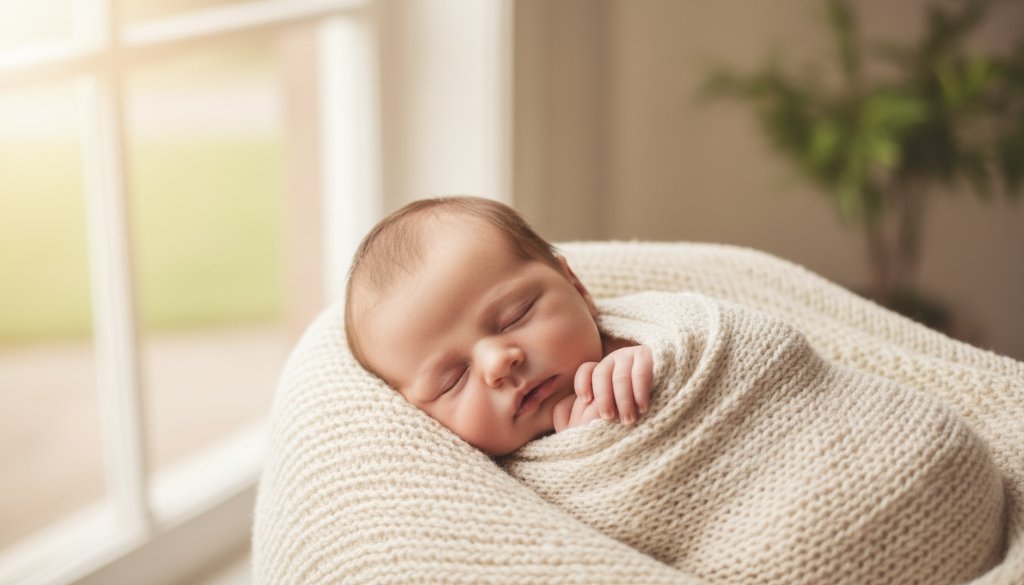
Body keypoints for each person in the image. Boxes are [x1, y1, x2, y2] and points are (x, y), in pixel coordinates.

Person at [344, 196, 652, 456]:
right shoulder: (480, 484)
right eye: (453, 379)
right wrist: (588, 452)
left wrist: (651, 364)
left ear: (577, 287)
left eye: (516, 316)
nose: (498, 363)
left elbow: (695, 339)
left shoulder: (647, 335)